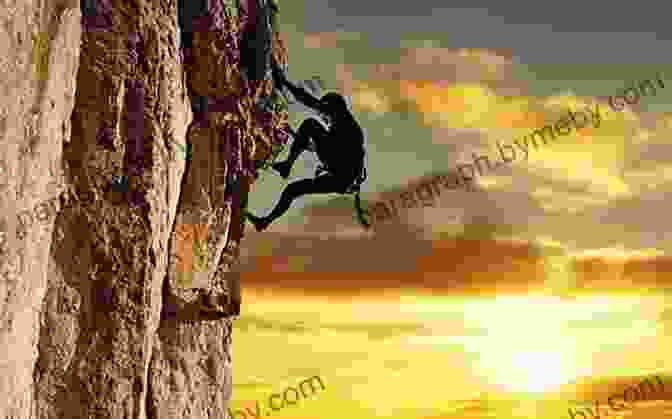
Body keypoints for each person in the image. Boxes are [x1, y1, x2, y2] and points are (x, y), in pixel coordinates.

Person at [244, 61, 368, 231]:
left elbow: (308, 101)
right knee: (292, 189)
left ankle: (287, 165)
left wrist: (285, 82)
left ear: (334, 108)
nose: (325, 117)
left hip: (342, 176)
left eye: (326, 112)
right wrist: (294, 134)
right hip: (342, 179)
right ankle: (264, 222)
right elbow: (318, 146)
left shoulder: (347, 125)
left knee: (310, 124)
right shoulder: (342, 124)